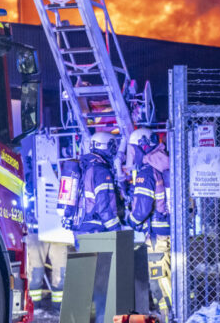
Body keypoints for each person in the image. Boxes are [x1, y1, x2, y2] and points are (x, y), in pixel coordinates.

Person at [128, 128, 173, 322]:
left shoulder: (146, 172)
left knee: (159, 282)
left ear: (143, 146)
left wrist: (132, 221)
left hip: (156, 236)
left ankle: (169, 318)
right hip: (172, 230)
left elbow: (141, 210)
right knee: (173, 278)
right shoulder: (169, 163)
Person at [75, 131, 124, 233]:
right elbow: (103, 205)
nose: (114, 151)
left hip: (82, 226)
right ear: (106, 146)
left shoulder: (86, 165)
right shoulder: (101, 171)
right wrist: (115, 228)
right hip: (96, 228)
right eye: (113, 147)